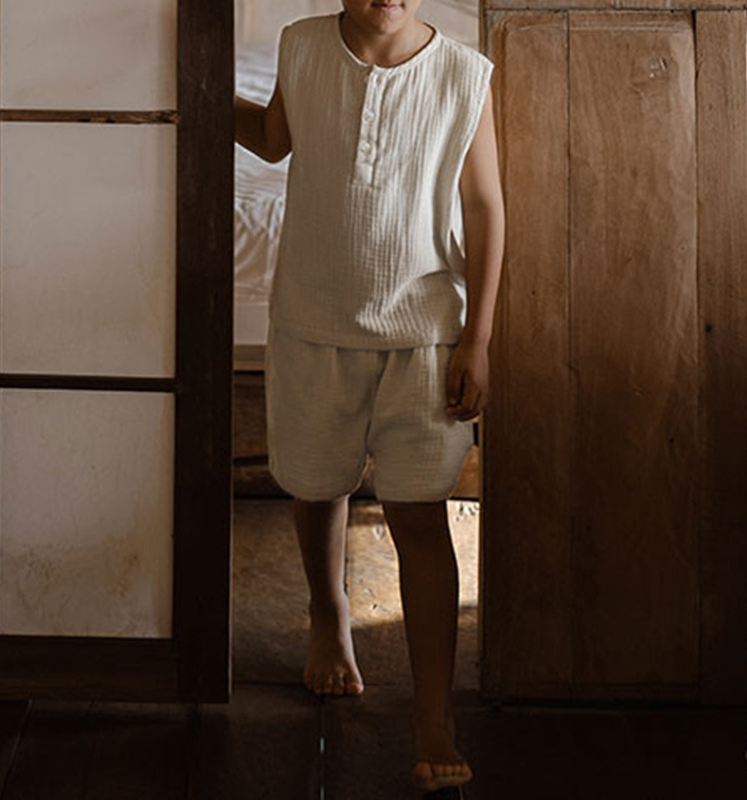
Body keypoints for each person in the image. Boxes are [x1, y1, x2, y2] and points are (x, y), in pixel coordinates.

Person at [235, 0, 504, 791]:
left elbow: (485, 207)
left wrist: (478, 338)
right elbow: (275, 139)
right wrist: (196, 88)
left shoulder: (462, 73)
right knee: (315, 484)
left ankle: (434, 714)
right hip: (312, 320)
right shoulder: (301, 45)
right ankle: (329, 615)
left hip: (423, 333)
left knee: (420, 514)